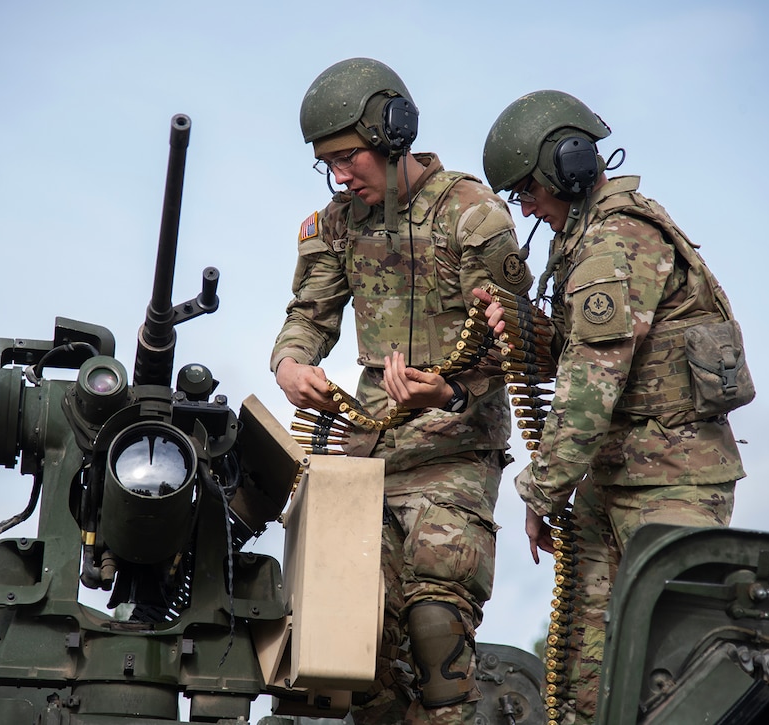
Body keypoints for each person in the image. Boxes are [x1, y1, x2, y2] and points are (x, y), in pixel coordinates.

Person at [270, 57, 534, 724]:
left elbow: (521, 342)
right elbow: (308, 315)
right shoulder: (333, 226)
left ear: (394, 131)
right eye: (326, 161)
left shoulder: (472, 215)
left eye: (349, 156)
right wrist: (291, 365)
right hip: (369, 448)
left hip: (456, 443)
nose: (339, 175)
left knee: (435, 615)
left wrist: (445, 392)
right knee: (353, 635)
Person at [478, 90, 750, 723]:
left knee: (677, 670)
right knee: (583, 670)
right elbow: (585, 358)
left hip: (672, 482)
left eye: (527, 190)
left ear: (564, 167)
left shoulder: (613, 243)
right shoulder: (585, 238)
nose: (526, 207)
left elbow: (587, 391)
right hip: (614, 477)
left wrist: (541, 491)